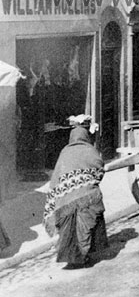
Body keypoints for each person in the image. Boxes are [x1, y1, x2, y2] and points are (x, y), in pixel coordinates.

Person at [43, 115, 108, 268]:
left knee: (68, 228)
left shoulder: (65, 152)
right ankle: (84, 255)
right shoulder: (90, 150)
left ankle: (72, 257)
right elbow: (99, 168)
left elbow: (57, 177)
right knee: (86, 225)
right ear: (85, 136)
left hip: (65, 199)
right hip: (87, 197)